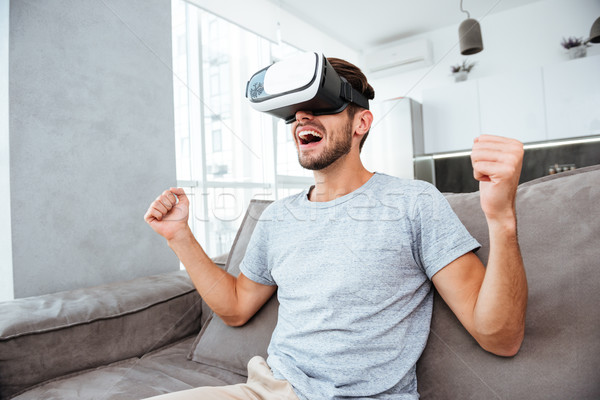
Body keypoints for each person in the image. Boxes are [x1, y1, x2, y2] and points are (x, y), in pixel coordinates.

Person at [143, 57, 527, 400]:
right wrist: (180, 236)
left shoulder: (414, 202)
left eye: (320, 107)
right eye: (295, 114)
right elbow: (236, 308)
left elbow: (500, 338)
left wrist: (502, 218)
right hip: (271, 390)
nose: (302, 119)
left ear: (361, 121)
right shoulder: (276, 218)